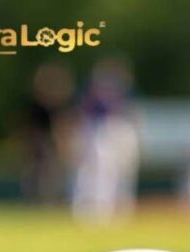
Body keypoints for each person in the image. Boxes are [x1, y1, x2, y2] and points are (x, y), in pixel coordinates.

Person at [71, 58, 140, 222]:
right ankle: (95, 208)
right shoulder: (93, 95)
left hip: (118, 129)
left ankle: (115, 208)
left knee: (119, 172)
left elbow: (132, 114)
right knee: (96, 172)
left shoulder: (127, 93)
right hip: (98, 131)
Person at [19, 63, 74, 204]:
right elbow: (27, 128)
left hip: (54, 147)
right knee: (37, 178)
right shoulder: (35, 106)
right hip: (39, 147)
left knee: (55, 178)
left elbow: (64, 128)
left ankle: (53, 202)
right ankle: (38, 202)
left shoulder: (60, 106)